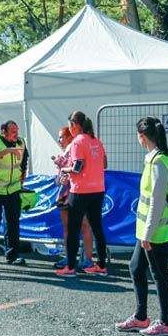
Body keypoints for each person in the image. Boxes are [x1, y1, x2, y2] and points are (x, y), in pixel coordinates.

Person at [116, 117, 168, 336]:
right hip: (149, 231)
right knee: (136, 267)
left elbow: (157, 201)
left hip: (155, 232)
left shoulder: (159, 163)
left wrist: (147, 234)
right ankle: (141, 316)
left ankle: (166, 322)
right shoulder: (160, 159)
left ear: (142, 137)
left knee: (160, 275)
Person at [56, 111, 108, 276]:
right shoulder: (96, 141)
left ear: (75, 125)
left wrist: (64, 168)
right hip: (98, 189)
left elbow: (78, 167)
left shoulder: (78, 142)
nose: (70, 129)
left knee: (73, 229)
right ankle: (100, 265)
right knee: (97, 227)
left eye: (70, 125)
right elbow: (104, 164)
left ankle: (70, 267)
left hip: (80, 190)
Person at [0, 120, 28, 266]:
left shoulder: (21, 142)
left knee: (13, 223)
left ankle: (12, 255)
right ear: (4, 131)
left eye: (17, 130)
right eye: (13, 131)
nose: (16, 134)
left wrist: (22, 176)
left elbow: (24, 161)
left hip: (14, 189)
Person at [52, 126, 94, 269]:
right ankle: (70, 258)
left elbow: (80, 169)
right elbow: (58, 179)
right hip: (66, 195)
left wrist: (67, 174)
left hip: (81, 192)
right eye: (59, 137)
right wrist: (61, 180)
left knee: (85, 225)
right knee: (68, 227)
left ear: (70, 137)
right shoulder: (63, 154)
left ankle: (88, 259)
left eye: (62, 137)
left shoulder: (79, 147)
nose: (59, 140)